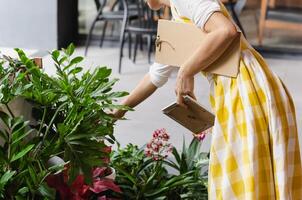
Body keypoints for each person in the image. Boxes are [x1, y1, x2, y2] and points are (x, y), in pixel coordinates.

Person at [113, 0, 302, 199]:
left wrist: (186, 71)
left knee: (243, 184)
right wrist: (119, 110)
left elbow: (225, 31)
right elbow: (155, 76)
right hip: (243, 89)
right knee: (247, 181)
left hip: (247, 90)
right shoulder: (177, 14)